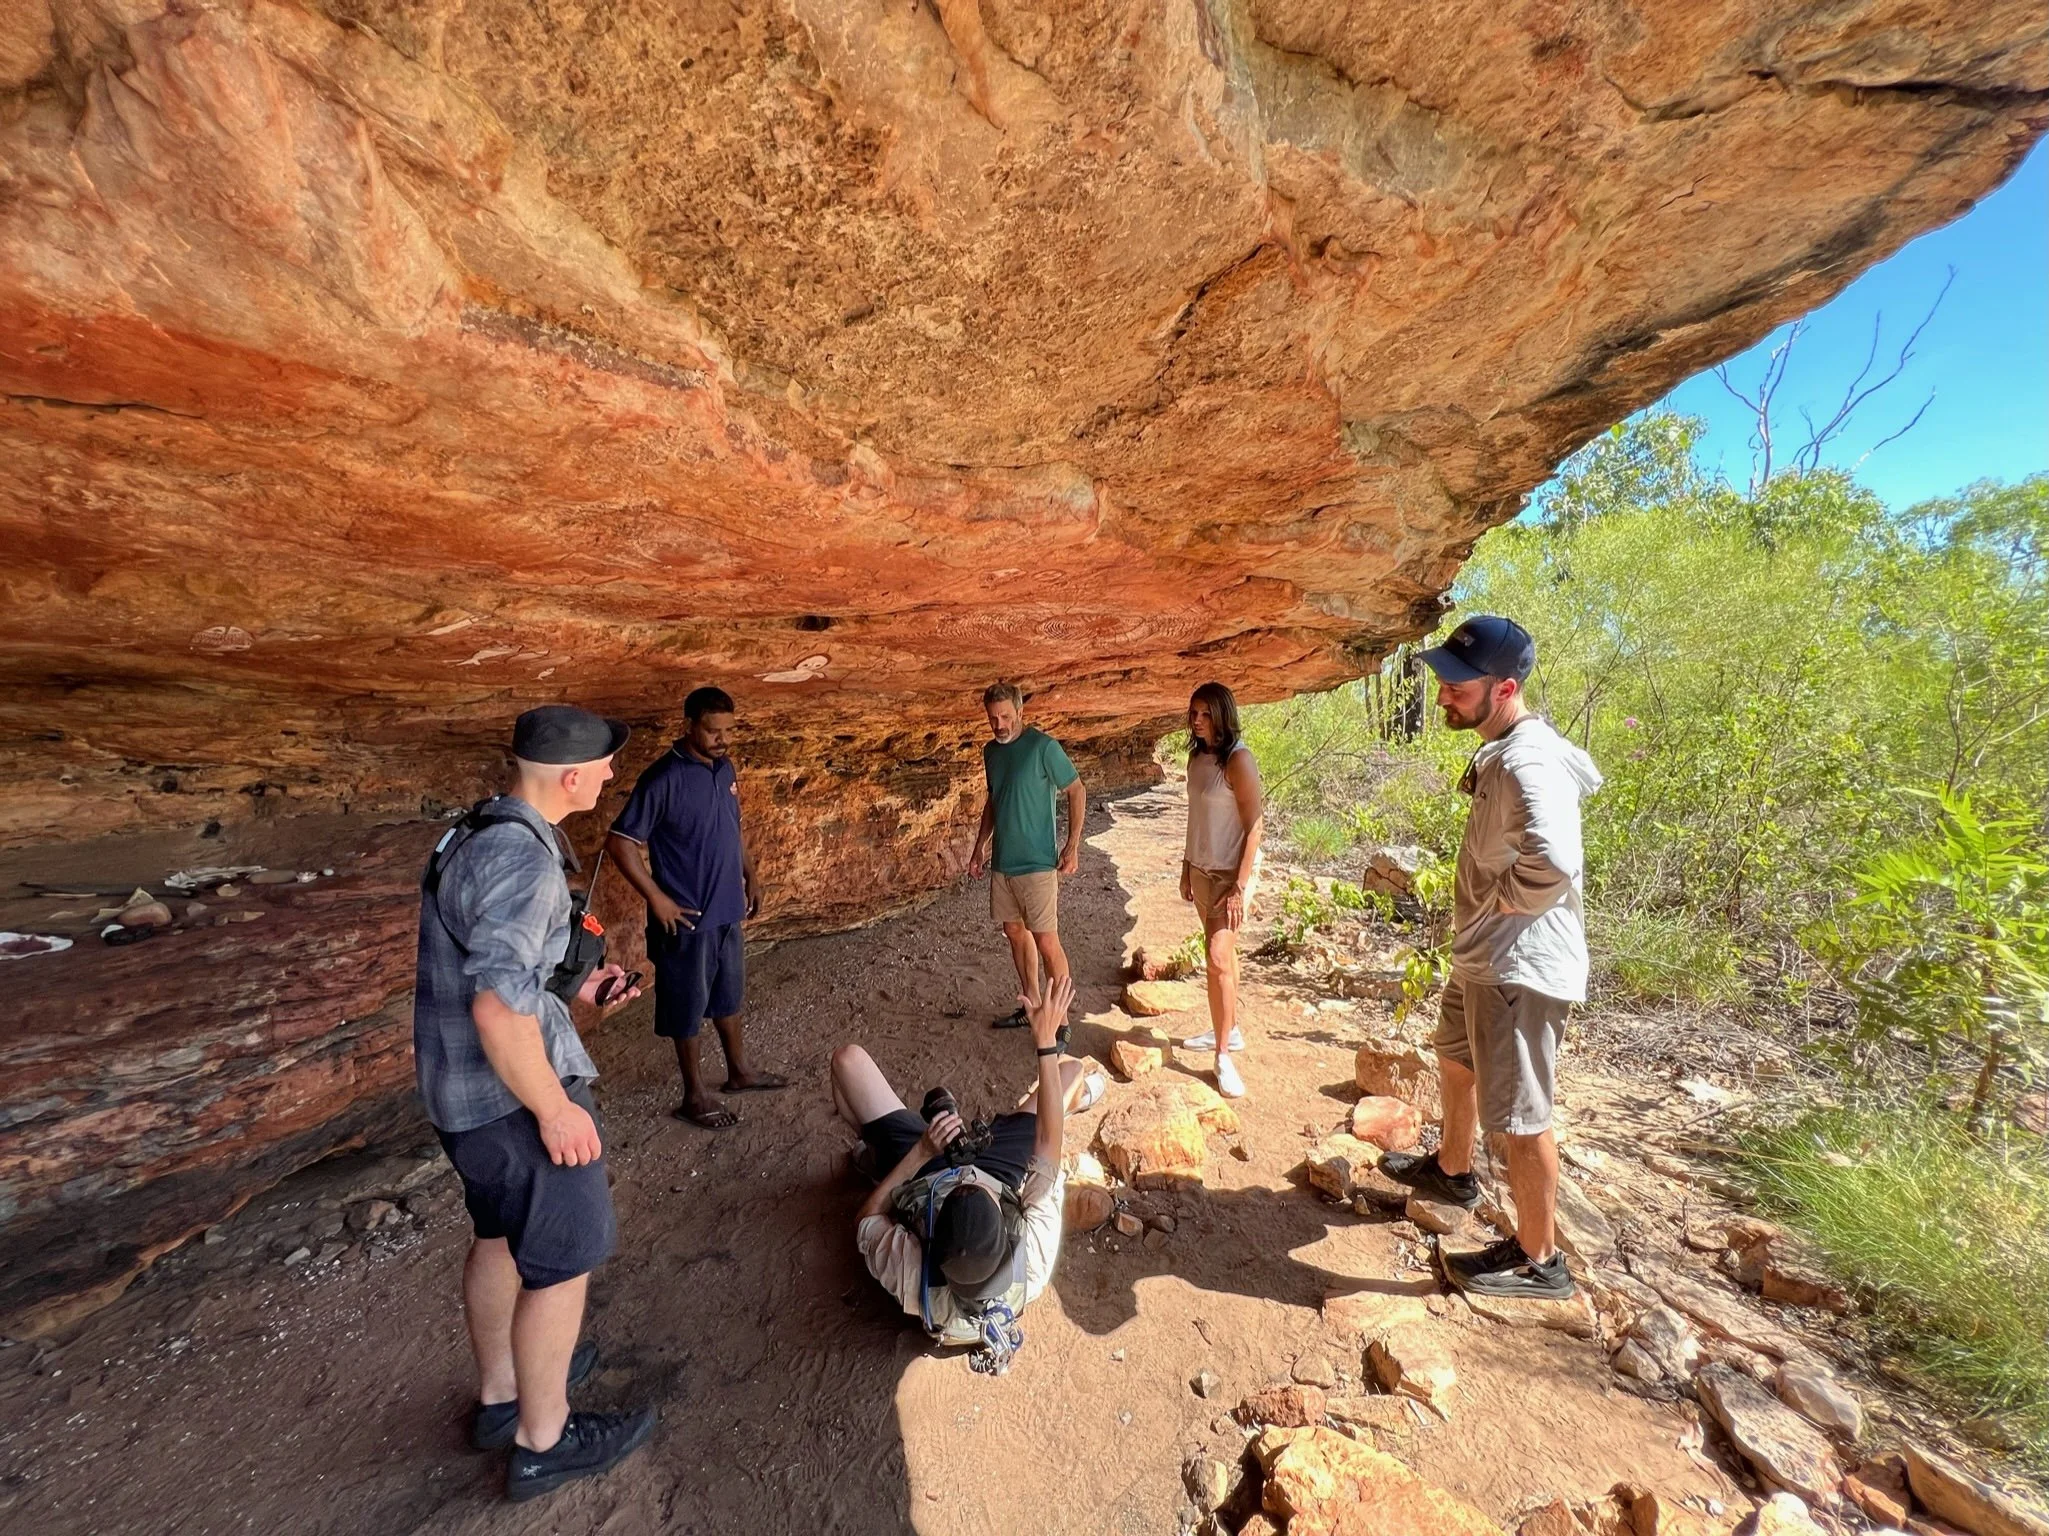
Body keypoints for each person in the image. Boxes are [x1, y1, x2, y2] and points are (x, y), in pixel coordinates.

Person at [413, 704, 657, 1502]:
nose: (614, 775)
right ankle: (543, 1440)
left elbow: (496, 970)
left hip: (460, 1100)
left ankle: (499, 1398)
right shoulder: (524, 864)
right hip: (511, 1103)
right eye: (607, 766)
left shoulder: (478, 832)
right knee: (562, 1263)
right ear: (572, 776)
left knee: (498, 1238)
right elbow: (495, 1010)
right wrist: (555, 1109)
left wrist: (577, 984)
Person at [1379, 616, 1603, 1300]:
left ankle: (1539, 1261)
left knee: (1521, 1116)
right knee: (1455, 1053)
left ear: (1504, 688)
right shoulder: (1503, 747)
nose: (1442, 694)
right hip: (1485, 959)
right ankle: (1451, 1169)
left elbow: (1554, 860)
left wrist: (1507, 901)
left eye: (1455, 684)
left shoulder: (1525, 757)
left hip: (1518, 968)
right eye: (1441, 680)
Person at [829, 976, 1095, 1371]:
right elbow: (1047, 1142)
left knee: (846, 1061)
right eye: (975, 1190)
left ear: (932, 1245)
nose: (966, 1176)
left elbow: (864, 1220)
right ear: (1007, 1234)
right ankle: (1081, 1098)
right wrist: (1046, 1043)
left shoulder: (911, 1274)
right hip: (997, 1172)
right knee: (1070, 1071)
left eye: (963, 1187)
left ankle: (876, 1156)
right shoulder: (1032, 1261)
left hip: (925, 1174)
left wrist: (921, 1153)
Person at [607, 685, 786, 1130]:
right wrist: (657, 898)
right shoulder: (663, 778)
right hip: (685, 917)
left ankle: (739, 1072)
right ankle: (693, 1094)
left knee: (728, 995)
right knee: (686, 1004)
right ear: (689, 726)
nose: (722, 739)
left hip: (727, 908)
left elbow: (732, 827)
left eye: (728, 730)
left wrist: (752, 874)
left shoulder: (725, 769)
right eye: (712, 730)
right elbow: (621, 842)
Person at [967, 682, 1086, 1029]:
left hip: (1037, 864)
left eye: (1005, 716)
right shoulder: (992, 752)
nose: (999, 724)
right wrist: (980, 846)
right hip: (1004, 864)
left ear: (1020, 712)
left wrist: (1072, 844)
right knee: (1014, 931)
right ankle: (1033, 1005)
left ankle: (1060, 1022)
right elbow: (994, 800)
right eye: (993, 718)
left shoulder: (1043, 747)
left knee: (1047, 940)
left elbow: (1076, 789)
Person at [1178, 681, 1264, 1099]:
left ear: (1222, 715)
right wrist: (1185, 866)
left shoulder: (1238, 760)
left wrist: (1240, 886)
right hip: (1200, 869)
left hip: (1230, 874)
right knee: (1222, 959)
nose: (1197, 720)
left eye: (1205, 713)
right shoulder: (1198, 758)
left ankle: (1222, 1055)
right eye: (1194, 712)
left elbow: (1255, 826)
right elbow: (1195, 817)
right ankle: (1228, 1029)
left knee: (1216, 958)